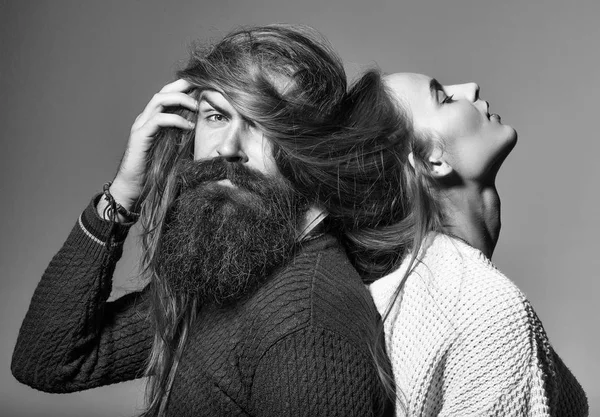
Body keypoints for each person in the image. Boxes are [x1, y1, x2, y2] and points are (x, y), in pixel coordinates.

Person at [11, 25, 392, 417]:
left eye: (263, 124)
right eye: (216, 116)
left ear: (314, 149)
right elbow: (49, 361)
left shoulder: (307, 330)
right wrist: (124, 191)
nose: (227, 147)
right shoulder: (238, 267)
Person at [306, 70, 589, 416]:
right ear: (431, 161)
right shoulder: (487, 312)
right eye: (444, 99)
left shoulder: (399, 298)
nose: (471, 87)